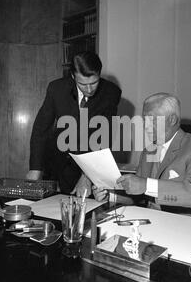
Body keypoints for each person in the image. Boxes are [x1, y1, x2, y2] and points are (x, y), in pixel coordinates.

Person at [94, 93, 191, 222]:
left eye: (151, 120)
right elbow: (138, 196)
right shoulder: (149, 151)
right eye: (144, 120)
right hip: (157, 222)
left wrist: (146, 185)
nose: (145, 126)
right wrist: (109, 196)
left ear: (172, 119)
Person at [27, 51, 121, 196]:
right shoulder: (56, 89)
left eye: (94, 83)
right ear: (73, 76)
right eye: (83, 84)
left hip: (88, 163)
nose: (89, 89)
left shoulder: (111, 93)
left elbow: (103, 139)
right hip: (56, 162)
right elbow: (41, 130)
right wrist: (35, 169)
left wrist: (87, 176)